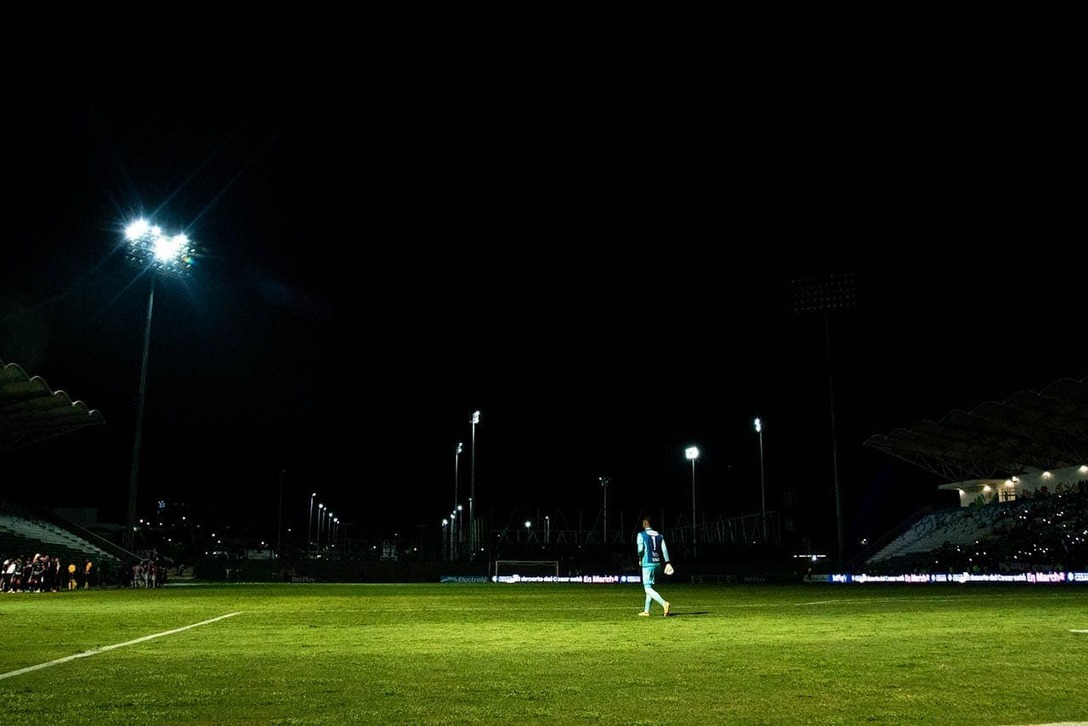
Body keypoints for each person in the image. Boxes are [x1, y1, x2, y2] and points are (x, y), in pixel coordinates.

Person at [636, 516, 671, 617]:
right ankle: (646, 611)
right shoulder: (659, 535)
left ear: (646, 523)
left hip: (647, 563)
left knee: (647, 588)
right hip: (657, 563)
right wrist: (667, 562)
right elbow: (664, 550)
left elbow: (640, 550)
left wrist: (639, 558)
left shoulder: (641, 534)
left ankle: (664, 603)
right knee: (650, 587)